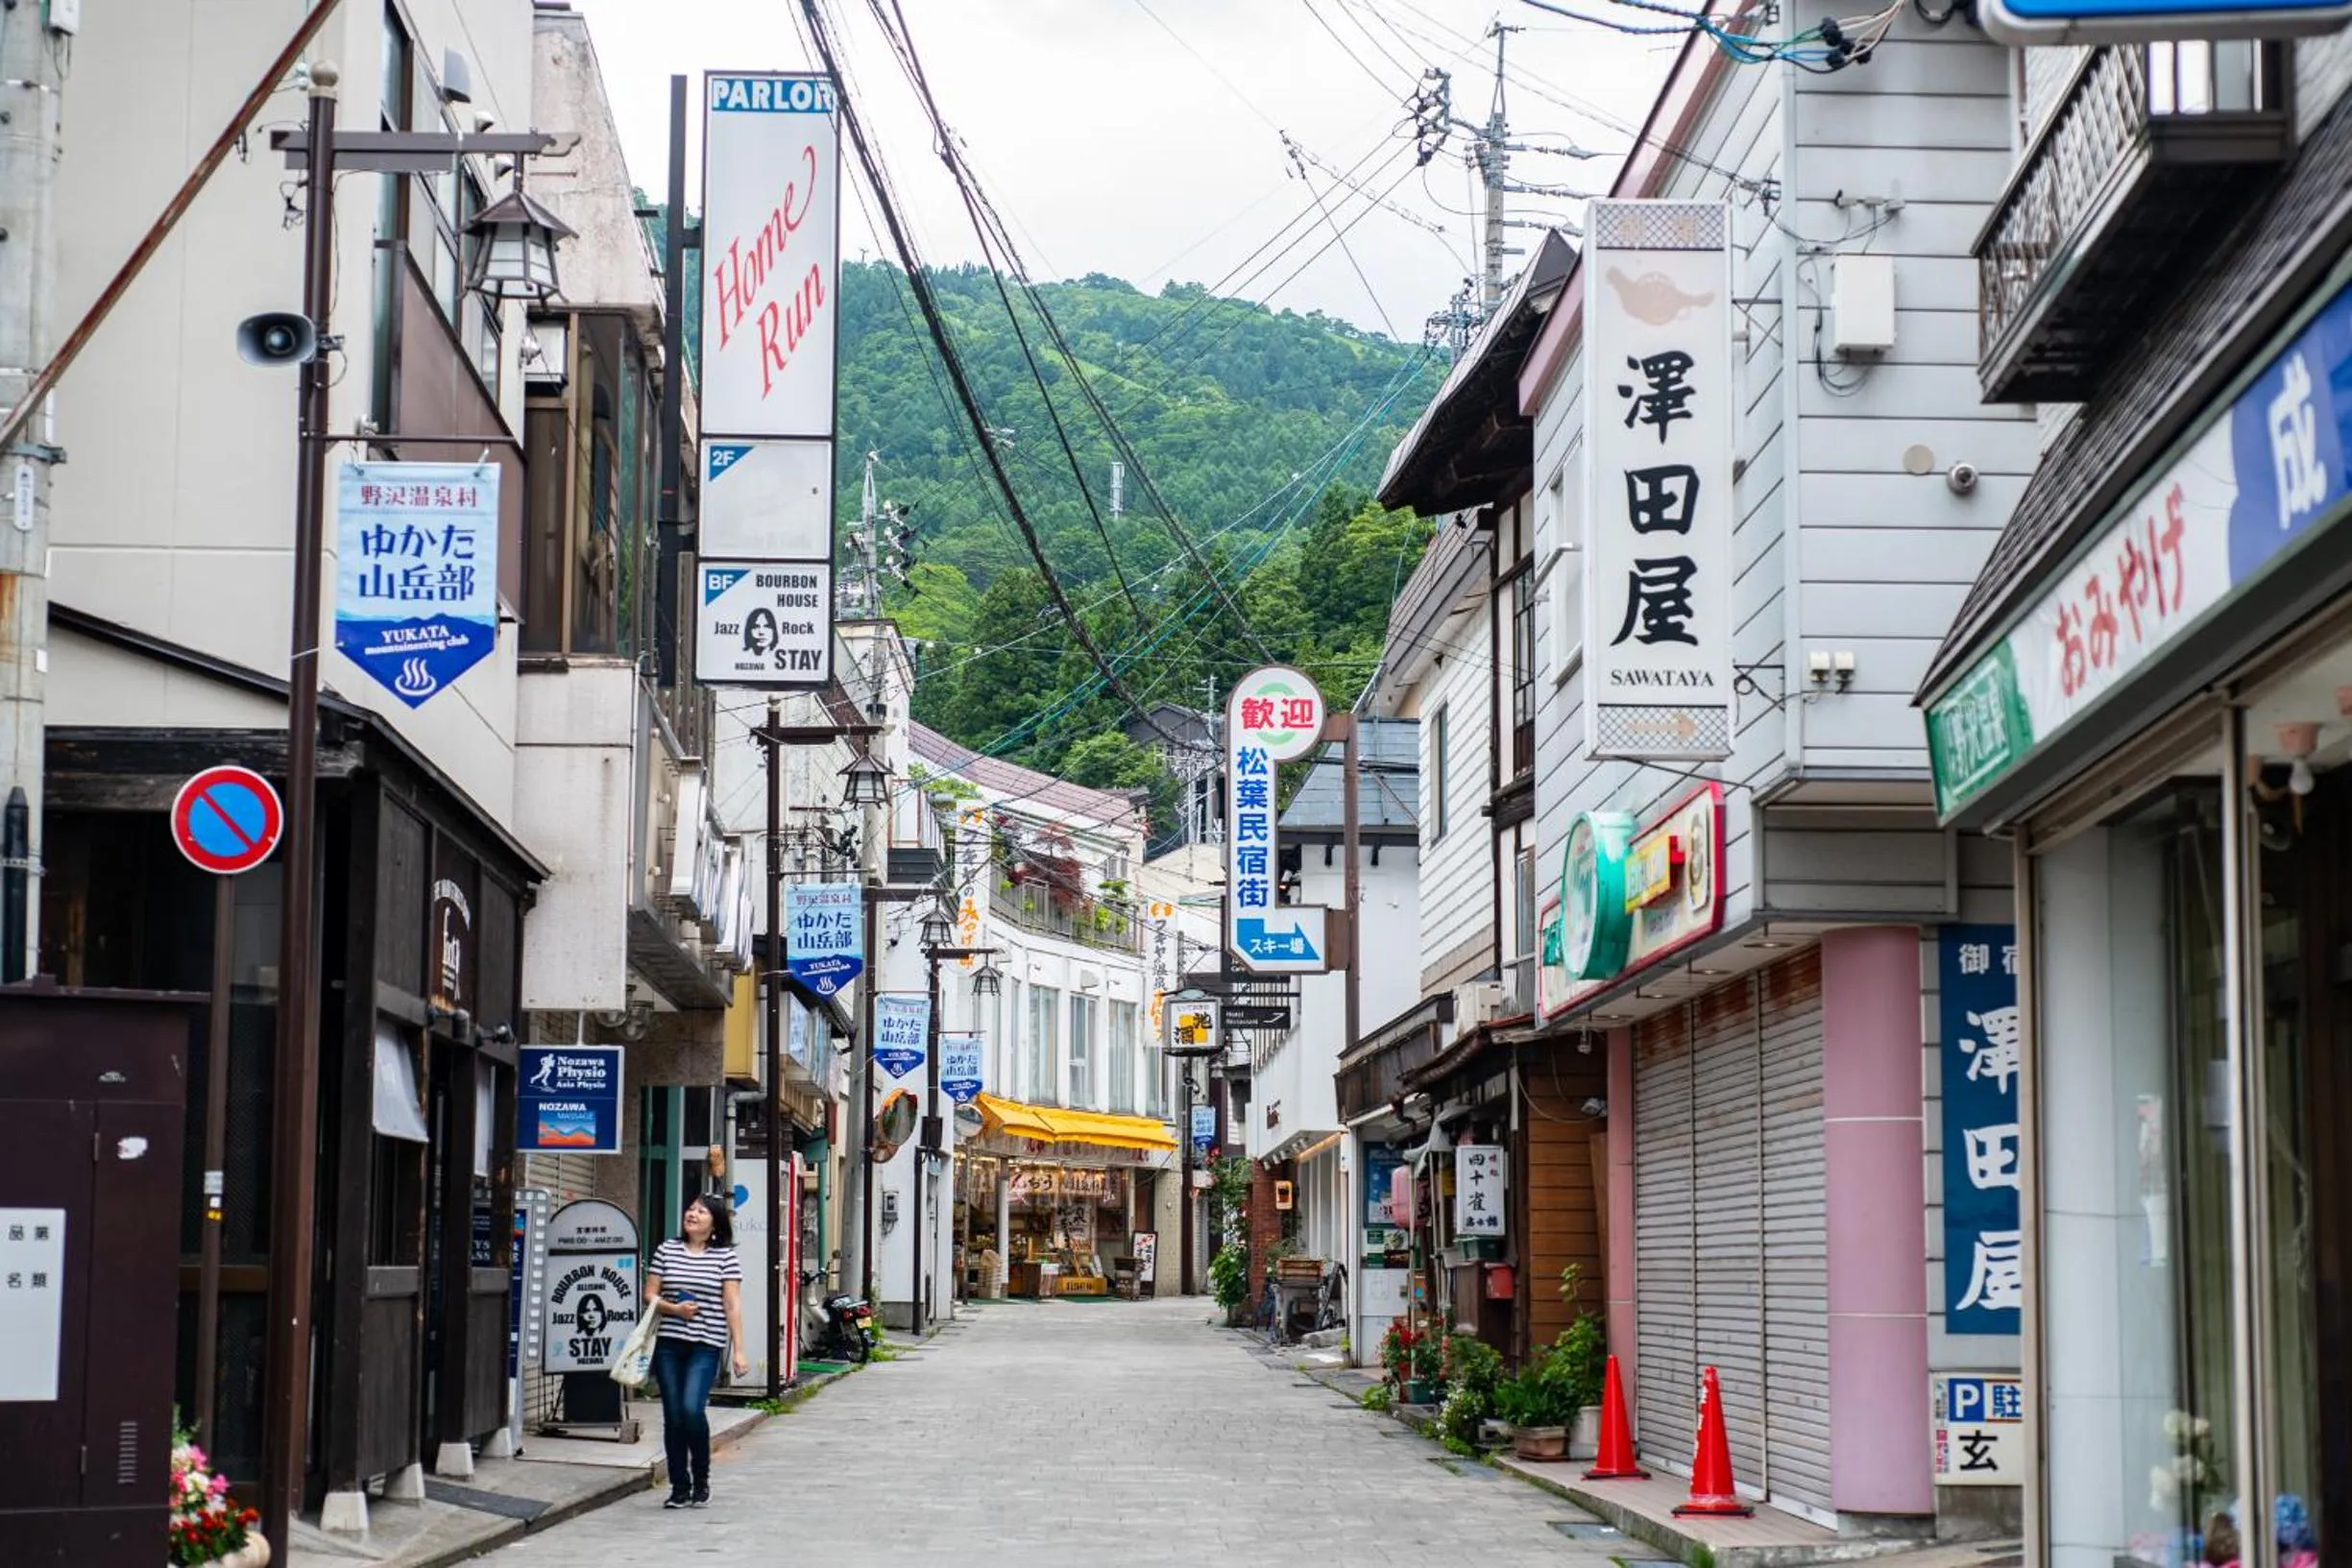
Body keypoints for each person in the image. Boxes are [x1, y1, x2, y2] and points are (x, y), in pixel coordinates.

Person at [644, 1194, 746, 1508]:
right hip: (669, 1344)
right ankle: (679, 1487)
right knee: (673, 1417)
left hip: (706, 1343)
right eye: (690, 1208)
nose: (692, 1214)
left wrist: (739, 1349)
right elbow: (649, 1294)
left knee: (691, 1409)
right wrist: (674, 1308)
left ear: (714, 1223)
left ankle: (700, 1476)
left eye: (701, 1211)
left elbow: (731, 1304)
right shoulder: (667, 1250)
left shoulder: (725, 1257)